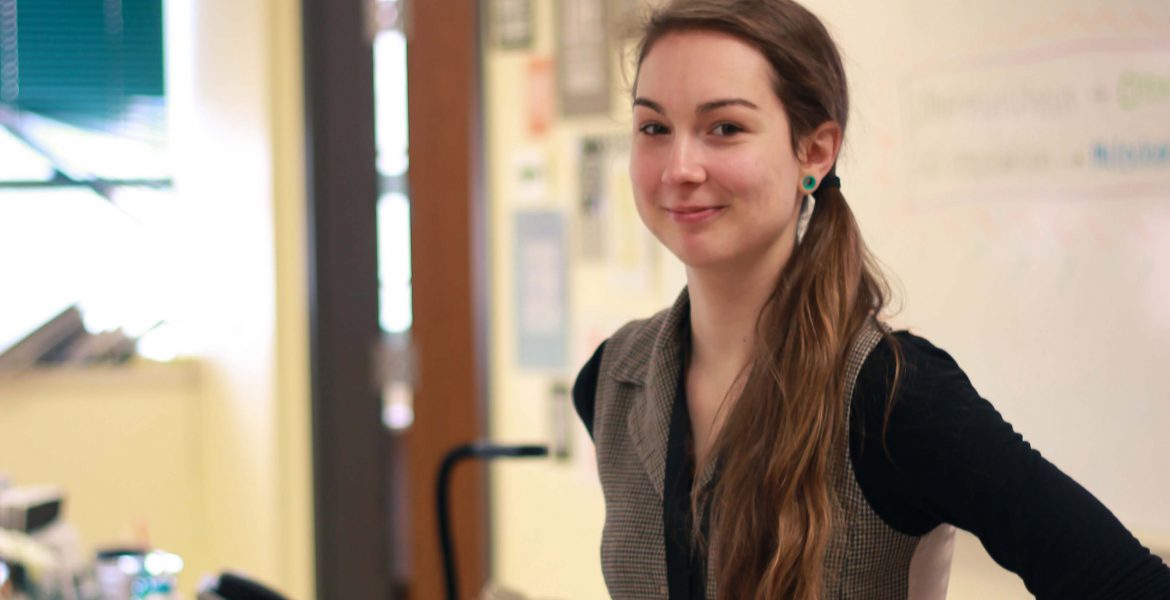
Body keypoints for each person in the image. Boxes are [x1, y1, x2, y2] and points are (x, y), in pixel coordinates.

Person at [570, 0, 1170, 598]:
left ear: (814, 152)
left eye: (724, 128)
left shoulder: (892, 395)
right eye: (654, 128)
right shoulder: (613, 379)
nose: (679, 168)